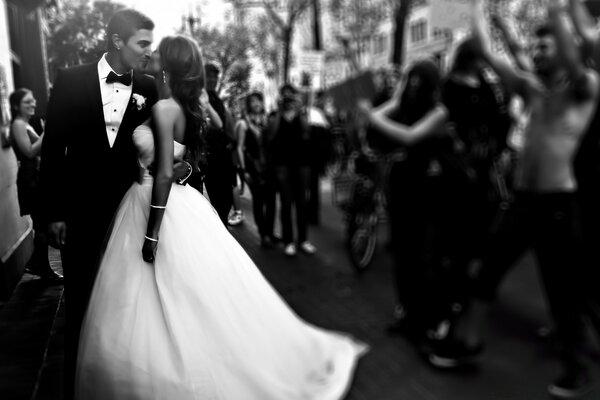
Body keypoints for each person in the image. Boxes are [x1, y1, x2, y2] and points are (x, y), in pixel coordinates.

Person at [74, 35, 367, 399]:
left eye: (158, 54)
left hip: (157, 207)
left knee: (164, 298)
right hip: (175, 201)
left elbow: (165, 173)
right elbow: (190, 158)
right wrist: (183, 167)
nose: (150, 56)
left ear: (169, 64)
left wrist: (152, 234)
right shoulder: (182, 105)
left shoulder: (167, 108)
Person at [435, 1, 599, 397]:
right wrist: (477, 9)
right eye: (535, 46)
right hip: (523, 202)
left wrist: (560, 11)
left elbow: (577, 64)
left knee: (564, 292)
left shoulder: (585, 87)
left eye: (545, 46)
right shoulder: (531, 90)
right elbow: (491, 53)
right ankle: (466, 345)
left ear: (565, 49)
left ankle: (576, 367)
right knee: (486, 273)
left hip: (559, 204)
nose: (537, 51)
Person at [39, 9, 194, 399]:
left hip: (131, 211)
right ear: (116, 42)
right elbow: (53, 149)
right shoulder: (70, 80)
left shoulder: (149, 86)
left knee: (125, 306)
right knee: (79, 300)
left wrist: (183, 168)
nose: (148, 51)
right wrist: (52, 213)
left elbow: (166, 151)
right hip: (79, 212)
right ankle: (79, 385)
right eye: (142, 43)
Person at [357, 59, 478, 361]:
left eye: (417, 81)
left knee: (426, 258)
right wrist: (394, 98)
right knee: (403, 255)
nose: (412, 86)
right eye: (409, 80)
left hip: (431, 191)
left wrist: (371, 113)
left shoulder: (439, 112)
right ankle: (409, 314)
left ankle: (429, 321)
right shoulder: (403, 105)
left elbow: (409, 136)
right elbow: (376, 120)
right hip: (404, 187)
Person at [9, 88, 63, 283]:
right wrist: (46, 132)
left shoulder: (25, 124)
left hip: (35, 177)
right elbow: (30, 152)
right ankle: (40, 265)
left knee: (41, 223)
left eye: (33, 101)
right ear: (16, 106)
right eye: (27, 102)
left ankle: (39, 264)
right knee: (41, 222)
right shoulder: (18, 124)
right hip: (29, 179)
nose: (33, 104)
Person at [265, 84, 317, 256]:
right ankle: (288, 241)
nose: (288, 100)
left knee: (302, 204)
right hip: (282, 166)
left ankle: (303, 240)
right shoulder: (275, 117)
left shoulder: (301, 116)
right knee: (286, 204)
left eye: (291, 96)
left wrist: (300, 110)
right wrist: (280, 112)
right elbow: (270, 136)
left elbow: (307, 133)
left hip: (301, 165)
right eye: (285, 97)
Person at [236, 91, 277, 247]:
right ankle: (263, 234)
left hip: (269, 167)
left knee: (272, 201)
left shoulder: (267, 121)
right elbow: (240, 148)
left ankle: (270, 232)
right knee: (259, 201)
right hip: (253, 168)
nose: (256, 104)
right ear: (249, 105)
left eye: (259, 100)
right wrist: (244, 170)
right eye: (253, 101)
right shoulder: (243, 124)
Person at [203, 62, 236, 225]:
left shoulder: (217, 99)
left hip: (223, 158)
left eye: (214, 77)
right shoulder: (200, 98)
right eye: (208, 76)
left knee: (226, 200)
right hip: (210, 160)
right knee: (213, 203)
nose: (212, 80)